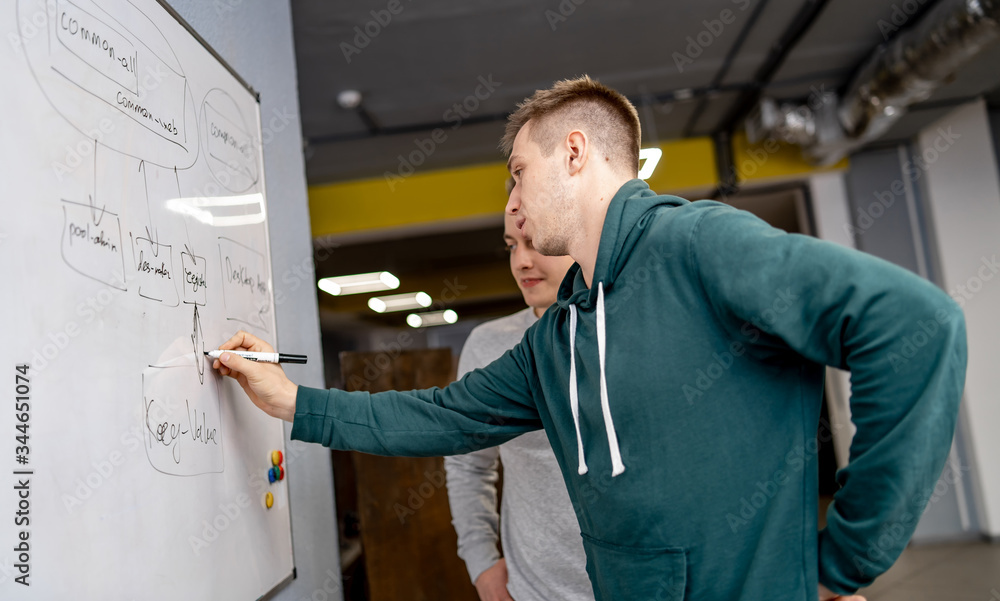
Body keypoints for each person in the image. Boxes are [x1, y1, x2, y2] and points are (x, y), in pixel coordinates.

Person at [211, 76, 967, 601]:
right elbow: (439, 417)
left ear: (574, 152)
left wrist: (844, 557)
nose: (510, 207)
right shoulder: (558, 334)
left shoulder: (699, 245)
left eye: (516, 174)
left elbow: (919, 328)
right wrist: (294, 403)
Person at [444, 181, 591, 601]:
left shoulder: (626, 331)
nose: (522, 262)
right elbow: (468, 464)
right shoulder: (489, 344)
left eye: (535, 242)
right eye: (512, 245)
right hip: (534, 591)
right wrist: (481, 564)